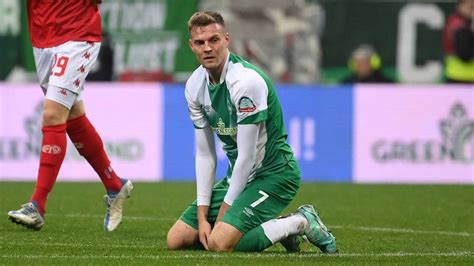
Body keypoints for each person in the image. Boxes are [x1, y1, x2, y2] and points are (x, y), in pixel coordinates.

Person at [166, 11, 337, 253]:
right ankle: (260, 228)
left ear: (226, 39)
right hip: (236, 177)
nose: (207, 48)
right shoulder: (195, 86)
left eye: (213, 40)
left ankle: (298, 222)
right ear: (191, 46)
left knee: (219, 243)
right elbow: (205, 155)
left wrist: (225, 213)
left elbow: (246, 156)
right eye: (200, 42)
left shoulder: (246, 82)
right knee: (177, 240)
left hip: (274, 174)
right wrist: (203, 217)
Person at [7, 0, 133, 232]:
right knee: (72, 115)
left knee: (53, 114)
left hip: (77, 34)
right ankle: (115, 185)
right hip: (42, 35)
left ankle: (37, 206)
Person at [442, 0, 474, 83]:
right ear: (459, 6)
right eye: (470, 7)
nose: (472, 11)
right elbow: (465, 55)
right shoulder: (459, 26)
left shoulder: (457, 22)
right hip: (459, 78)